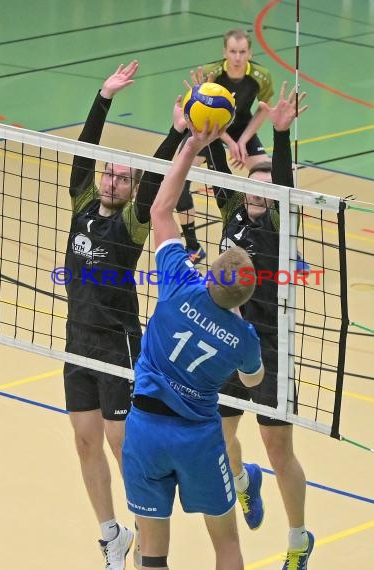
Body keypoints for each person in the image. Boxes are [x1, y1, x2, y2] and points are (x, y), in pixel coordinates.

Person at [122, 119, 265, 570]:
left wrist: (191, 145)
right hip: (199, 439)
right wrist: (235, 325)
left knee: (152, 554)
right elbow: (253, 377)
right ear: (244, 299)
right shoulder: (244, 337)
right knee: (225, 543)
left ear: (208, 273)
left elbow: (162, 210)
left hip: (144, 430)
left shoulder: (180, 283)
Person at [64, 60, 189, 570]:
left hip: (118, 345)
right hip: (77, 342)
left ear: (132, 187)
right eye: (110, 173)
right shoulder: (82, 204)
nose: (113, 180)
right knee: (85, 441)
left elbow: (157, 180)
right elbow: (83, 152)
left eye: (123, 177)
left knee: (121, 446)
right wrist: (104, 96)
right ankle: (110, 534)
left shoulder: (134, 225)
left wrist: (175, 132)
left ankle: (146, 531)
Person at [206, 81, 315, 569]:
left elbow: (286, 185)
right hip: (229, 342)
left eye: (268, 185)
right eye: (253, 180)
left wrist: (282, 137)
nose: (259, 189)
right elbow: (211, 166)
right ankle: (244, 482)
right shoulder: (234, 212)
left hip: (271, 349)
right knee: (218, 435)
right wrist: (203, 131)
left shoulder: (279, 224)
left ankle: (297, 540)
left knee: (278, 448)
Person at [176, 28, 274, 263]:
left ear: (250, 53)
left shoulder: (261, 76)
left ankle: (280, 241)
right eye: (233, 51)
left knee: (274, 180)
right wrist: (229, 142)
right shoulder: (212, 73)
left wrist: (242, 141)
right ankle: (193, 246)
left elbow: (263, 109)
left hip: (241, 128)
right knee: (178, 179)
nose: (237, 57)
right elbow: (199, 113)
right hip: (207, 128)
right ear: (225, 52)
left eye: (242, 52)